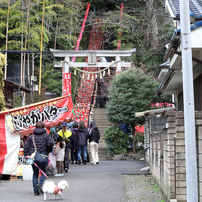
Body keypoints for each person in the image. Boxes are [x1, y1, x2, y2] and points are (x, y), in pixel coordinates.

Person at [24, 121, 53, 196]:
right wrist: (48, 151)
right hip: (43, 156)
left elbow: (26, 146)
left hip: (33, 157)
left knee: (35, 173)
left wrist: (27, 155)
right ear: (43, 127)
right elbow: (50, 144)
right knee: (44, 171)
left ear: (35, 127)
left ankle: (35, 190)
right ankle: (40, 184)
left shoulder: (31, 136)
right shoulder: (46, 136)